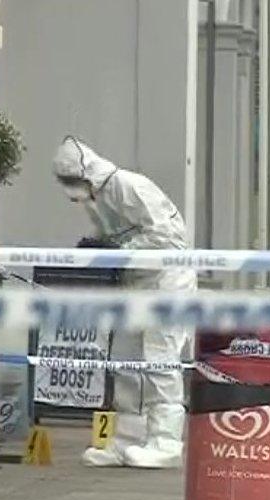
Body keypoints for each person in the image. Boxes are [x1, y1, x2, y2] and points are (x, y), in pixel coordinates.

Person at [52, 136, 196, 469]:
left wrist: (120, 252)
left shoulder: (131, 187)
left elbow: (170, 239)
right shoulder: (96, 198)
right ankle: (128, 440)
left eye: (73, 181)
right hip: (137, 283)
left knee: (160, 360)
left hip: (167, 281)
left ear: (88, 174)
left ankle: (166, 441)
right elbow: (117, 238)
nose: (71, 191)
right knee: (126, 360)